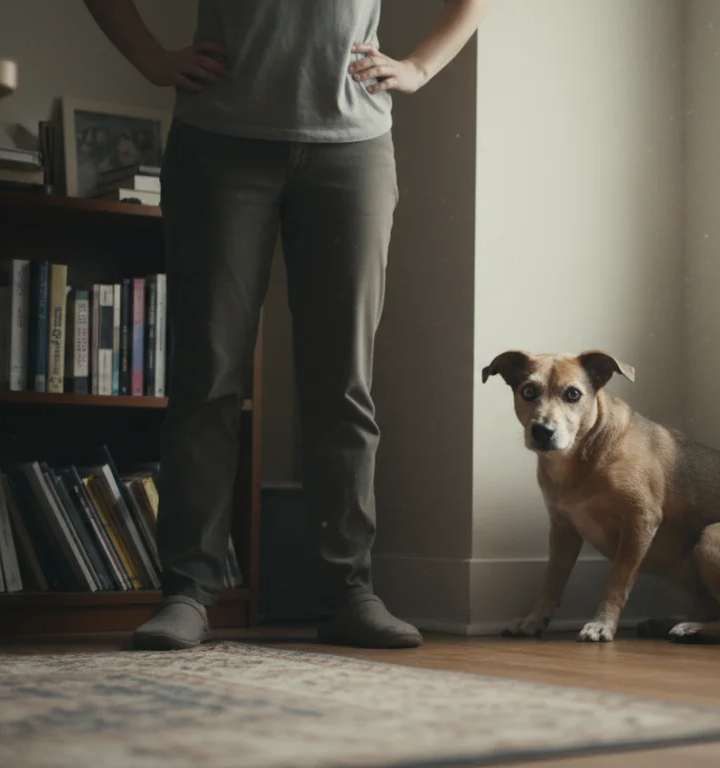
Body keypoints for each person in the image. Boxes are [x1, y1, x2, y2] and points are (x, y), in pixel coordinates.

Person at [82, 0, 488, 650]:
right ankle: (187, 592)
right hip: (219, 145)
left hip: (352, 152)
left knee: (342, 386)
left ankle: (349, 593)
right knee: (206, 379)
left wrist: (419, 66)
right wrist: (154, 60)